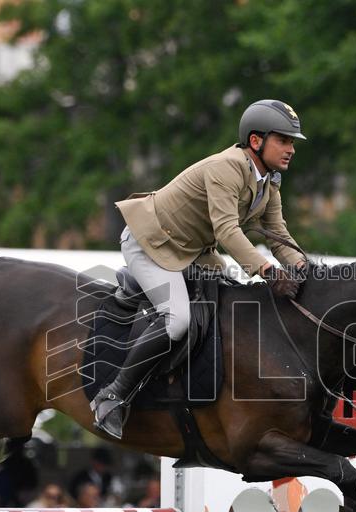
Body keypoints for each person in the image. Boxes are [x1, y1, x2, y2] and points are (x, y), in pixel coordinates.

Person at [89, 100, 310, 440]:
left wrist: (306, 270)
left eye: (293, 142)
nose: (291, 149)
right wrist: (267, 271)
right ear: (256, 141)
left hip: (192, 252)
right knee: (177, 319)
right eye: (283, 140)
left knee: (228, 300)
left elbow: (279, 236)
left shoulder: (269, 182)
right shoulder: (227, 168)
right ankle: (113, 395)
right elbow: (227, 232)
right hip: (150, 242)